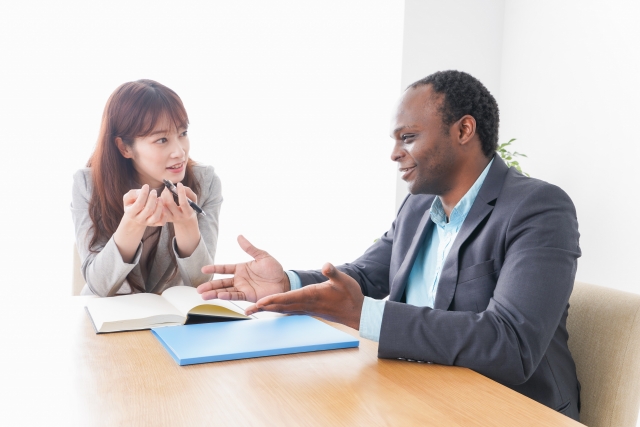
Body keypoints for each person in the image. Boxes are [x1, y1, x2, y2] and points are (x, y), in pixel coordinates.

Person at [196, 70, 581, 420]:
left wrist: (366, 316)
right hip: (417, 393)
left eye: (408, 137)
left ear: (464, 130)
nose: (395, 153)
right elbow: (366, 275)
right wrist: (290, 283)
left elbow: (511, 345)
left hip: (507, 407)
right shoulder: (418, 206)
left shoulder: (538, 208)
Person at [71, 79, 222, 297]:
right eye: (162, 139)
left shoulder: (205, 182)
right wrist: (132, 224)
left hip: (173, 319)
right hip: (106, 318)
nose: (179, 151)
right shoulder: (89, 185)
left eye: (183, 133)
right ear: (124, 147)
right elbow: (99, 285)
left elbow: (200, 282)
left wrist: (186, 224)